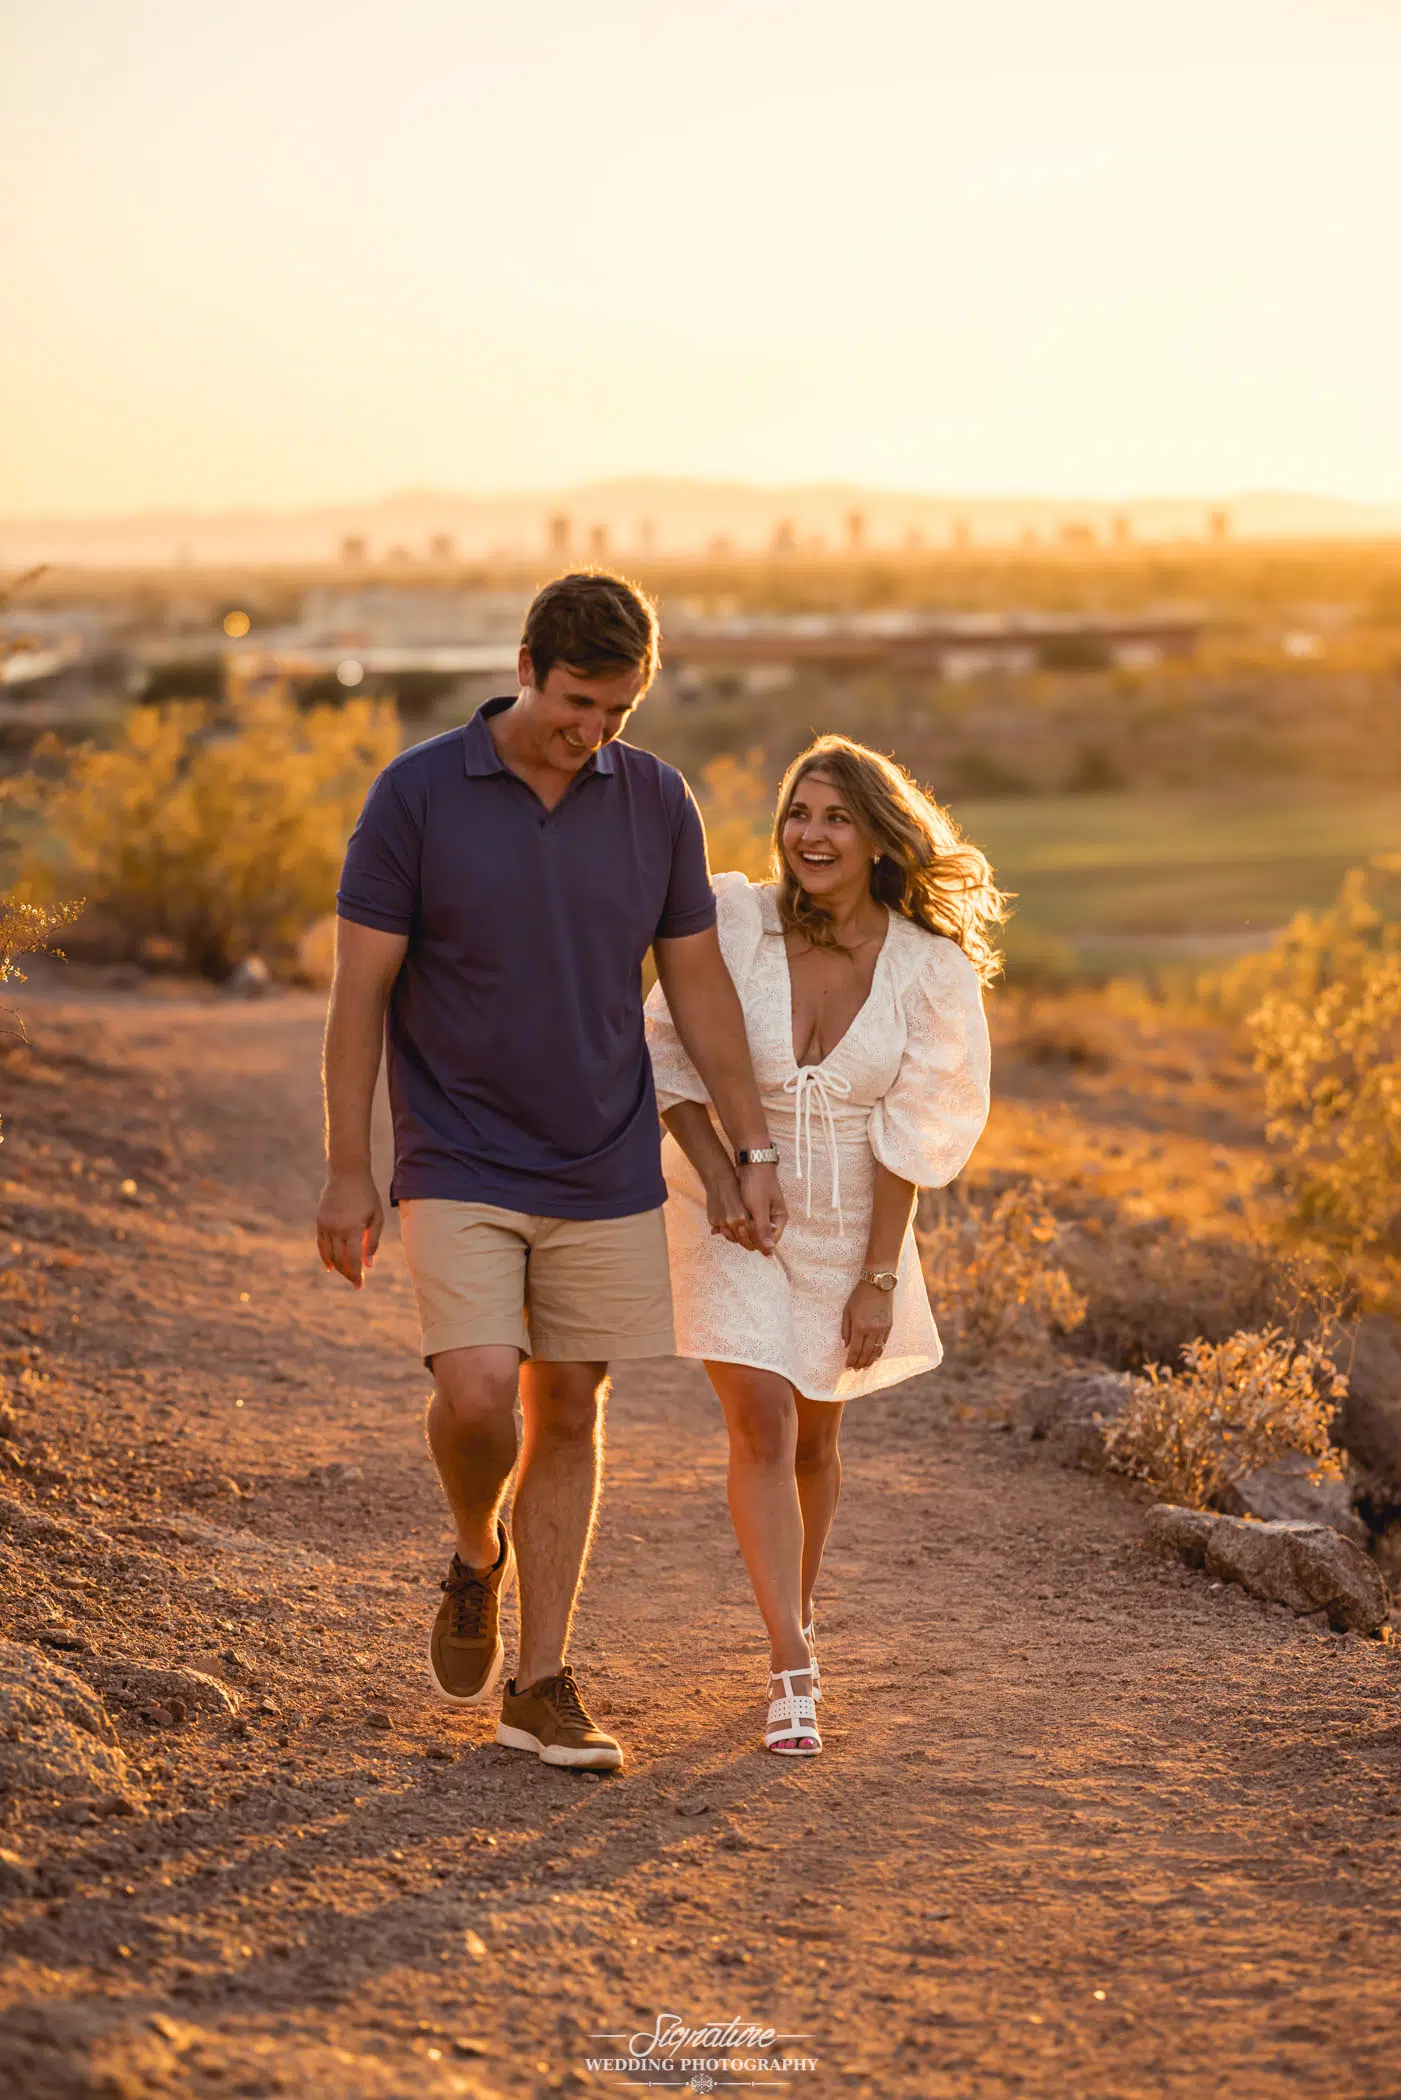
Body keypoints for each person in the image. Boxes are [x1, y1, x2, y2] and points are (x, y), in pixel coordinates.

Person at [316, 571, 784, 1774]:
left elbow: (699, 991)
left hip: (603, 1160)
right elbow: (359, 993)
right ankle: (477, 1549)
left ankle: (542, 1682)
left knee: (569, 1408)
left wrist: (752, 1149)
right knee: (479, 1398)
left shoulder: (657, 803)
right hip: (458, 1150)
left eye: (620, 710)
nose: (596, 731)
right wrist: (346, 1170)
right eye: (579, 702)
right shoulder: (417, 794)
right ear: (527, 665)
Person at [644, 736, 1002, 1755]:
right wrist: (719, 1175)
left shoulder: (927, 968)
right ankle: (791, 1664)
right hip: (724, 1209)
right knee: (756, 1418)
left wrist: (880, 1278)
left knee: (814, 1439)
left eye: (837, 816)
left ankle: (792, 1617)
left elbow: (915, 1134)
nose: (809, 834)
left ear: (879, 837)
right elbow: (667, 1052)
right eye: (799, 812)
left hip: (850, 1221)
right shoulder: (738, 921)